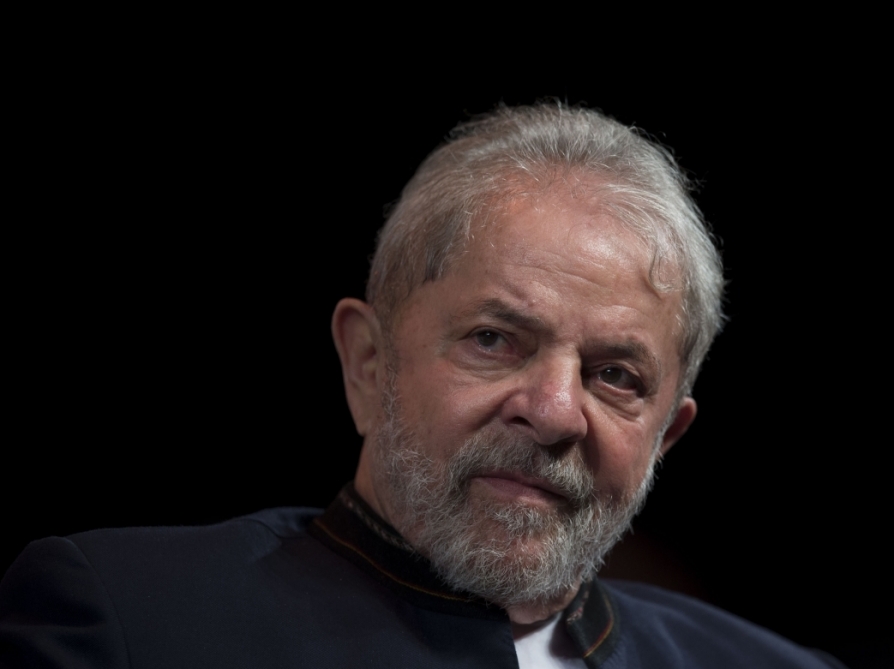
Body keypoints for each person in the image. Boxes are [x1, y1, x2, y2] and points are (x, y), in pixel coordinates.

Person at [0, 104, 847, 668]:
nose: (554, 411)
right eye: (494, 340)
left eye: (615, 376)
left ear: (665, 437)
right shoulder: (134, 620)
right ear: (368, 363)